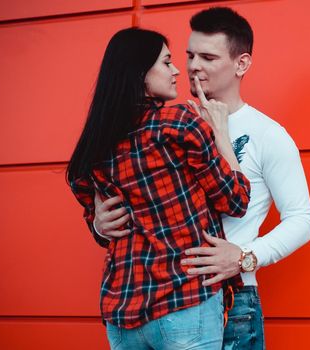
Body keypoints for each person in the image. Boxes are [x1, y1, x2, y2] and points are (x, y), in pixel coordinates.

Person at [93, 7, 310, 349]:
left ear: (241, 64)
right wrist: (100, 225)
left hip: (232, 298)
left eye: (208, 57)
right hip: (160, 301)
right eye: (190, 55)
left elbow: (302, 220)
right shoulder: (163, 125)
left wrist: (244, 256)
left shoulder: (267, 134)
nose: (194, 66)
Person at [67, 27, 250, 349]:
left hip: (123, 310)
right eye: (167, 62)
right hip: (184, 298)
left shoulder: (95, 146)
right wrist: (220, 133)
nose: (178, 69)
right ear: (140, 73)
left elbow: (101, 224)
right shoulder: (178, 123)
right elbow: (236, 199)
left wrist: (97, 225)